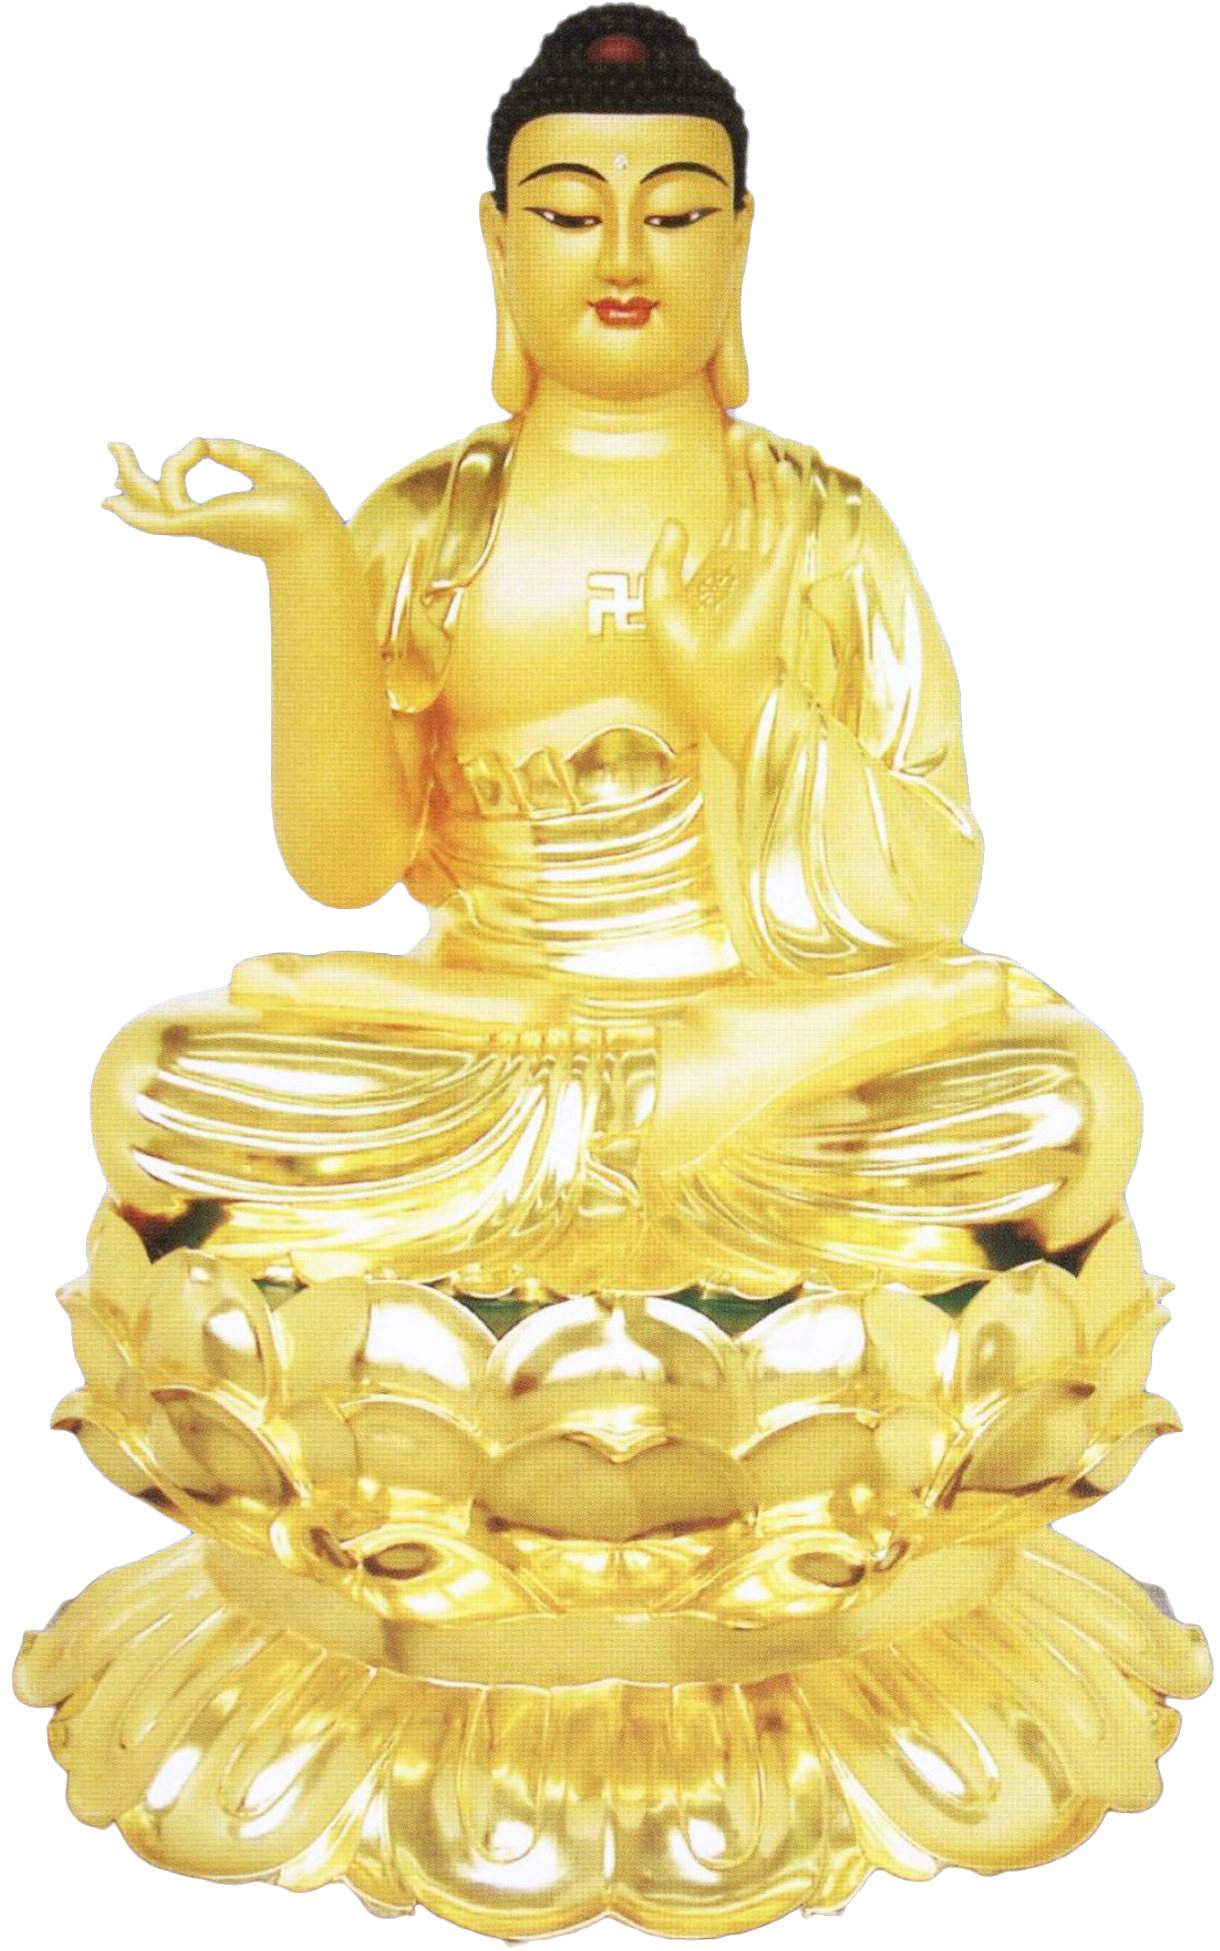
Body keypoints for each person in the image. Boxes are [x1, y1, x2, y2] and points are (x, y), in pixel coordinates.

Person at [93, 5, 1140, 1303]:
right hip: (485, 1038)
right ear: (499, 241)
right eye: (572, 215)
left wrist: (745, 704)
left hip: (773, 1046)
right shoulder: (423, 525)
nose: (627, 257)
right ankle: (659, 1154)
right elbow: (346, 867)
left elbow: (933, 890)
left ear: (741, 238)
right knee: (153, 1084)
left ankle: (604, 1171)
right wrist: (304, 561)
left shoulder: (825, 525)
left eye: (680, 214)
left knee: (1068, 1101)